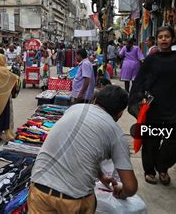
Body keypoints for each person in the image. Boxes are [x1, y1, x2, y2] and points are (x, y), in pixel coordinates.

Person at [28, 85, 137, 214]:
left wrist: (101, 176)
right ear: (120, 114)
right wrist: (121, 192)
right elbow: (130, 187)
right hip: (73, 201)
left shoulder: (74, 109)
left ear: (95, 101)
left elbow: (78, 148)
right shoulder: (116, 133)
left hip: (39, 189)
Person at [129, 26, 176, 186]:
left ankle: (162, 167)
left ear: (172, 39)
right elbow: (140, 81)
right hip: (154, 107)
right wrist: (140, 97)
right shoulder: (151, 59)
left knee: (173, 141)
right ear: (157, 40)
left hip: (174, 107)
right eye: (161, 37)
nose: (164, 39)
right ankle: (150, 171)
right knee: (151, 141)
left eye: (167, 36)